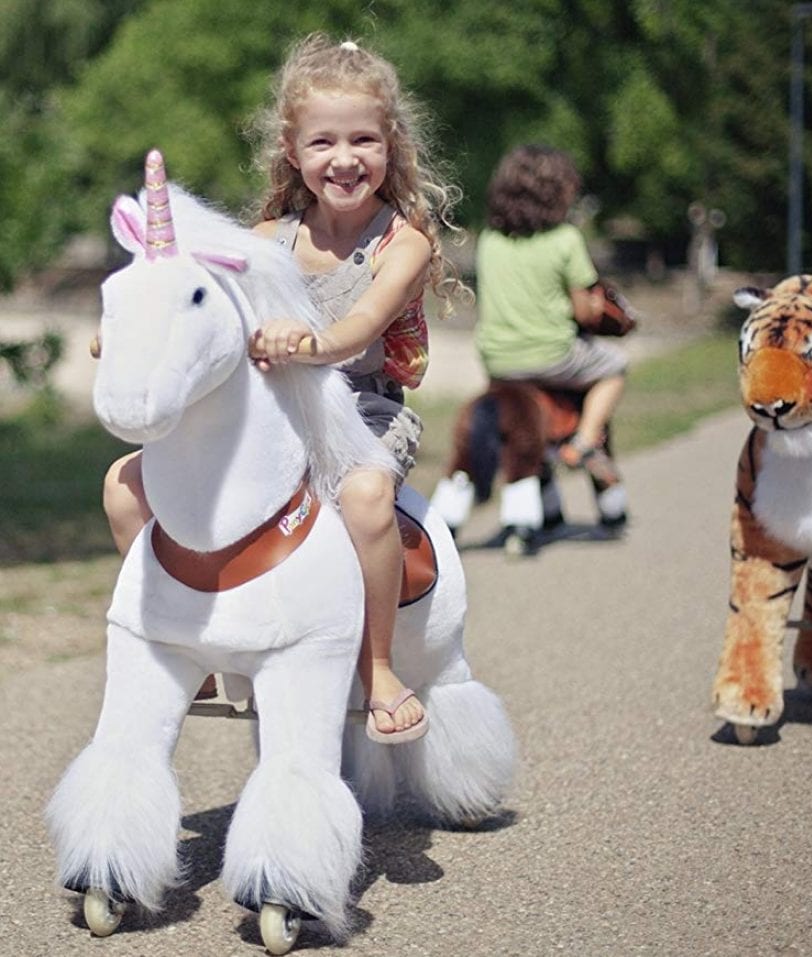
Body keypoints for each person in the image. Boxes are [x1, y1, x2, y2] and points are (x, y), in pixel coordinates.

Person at [103, 33, 466, 743]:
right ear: (293, 151)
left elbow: (360, 328)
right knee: (124, 483)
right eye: (323, 141)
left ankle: (381, 665)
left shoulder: (405, 242)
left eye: (363, 138)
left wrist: (307, 342)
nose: (344, 158)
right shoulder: (266, 237)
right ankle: (183, 638)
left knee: (363, 498)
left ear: (390, 145)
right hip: (272, 410)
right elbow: (199, 308)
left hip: (360, 408)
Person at [473, 144, 628, 488]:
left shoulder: (489, 239)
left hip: (497, 360)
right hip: (552, 356)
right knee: (615, 367)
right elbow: (583, 312)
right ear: (559, 193)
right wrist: (601, 307)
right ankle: (585, 443)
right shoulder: (566, 239)